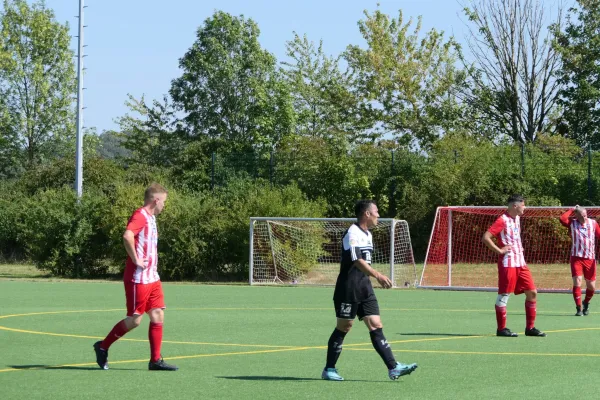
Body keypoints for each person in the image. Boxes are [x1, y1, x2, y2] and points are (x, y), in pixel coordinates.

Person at [321, 199, 418, 381]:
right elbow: (357, 260)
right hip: (348, 288)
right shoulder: (352, 232)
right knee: (344, 326)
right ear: (367, 213)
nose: (378, 216)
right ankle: (329, 369)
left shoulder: (368, 234)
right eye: (376, 212)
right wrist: (378, 275)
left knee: (375, 324)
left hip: (364, 288)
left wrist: (371, 278)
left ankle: (393, 367)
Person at [93, 183, 178, 371]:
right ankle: (102, 346)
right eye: (163, 201)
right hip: (138, 277)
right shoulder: (140, 215)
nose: (164, 205)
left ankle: (155, 360)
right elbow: (127, 235)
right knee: (135, 320)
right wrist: (136, 259)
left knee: (157, 314)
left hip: (152, 277)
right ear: (156, 200)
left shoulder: (152, 218)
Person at [482, 194, 546, 338]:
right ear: (515, 206)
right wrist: (500, 250)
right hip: (508, 263)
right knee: (504, 295)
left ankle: (530, 328)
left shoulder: (517, 218)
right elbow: (486, 237)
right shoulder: (502, 220)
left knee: (532, 292)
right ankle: (501, 329)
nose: (525, 207)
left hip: (520, 262)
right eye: (523, 205)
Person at [559, 205, 600, 316]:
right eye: (581, 216)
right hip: (576, 258)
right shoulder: (572, 223)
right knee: (577, 281)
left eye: (585, 215)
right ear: (576, 215)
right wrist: (572, 209)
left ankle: (586, 302)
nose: (584, 218)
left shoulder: (593, 224)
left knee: (591, 286)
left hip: (590, 259)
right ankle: (578, 308)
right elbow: (562, 218)